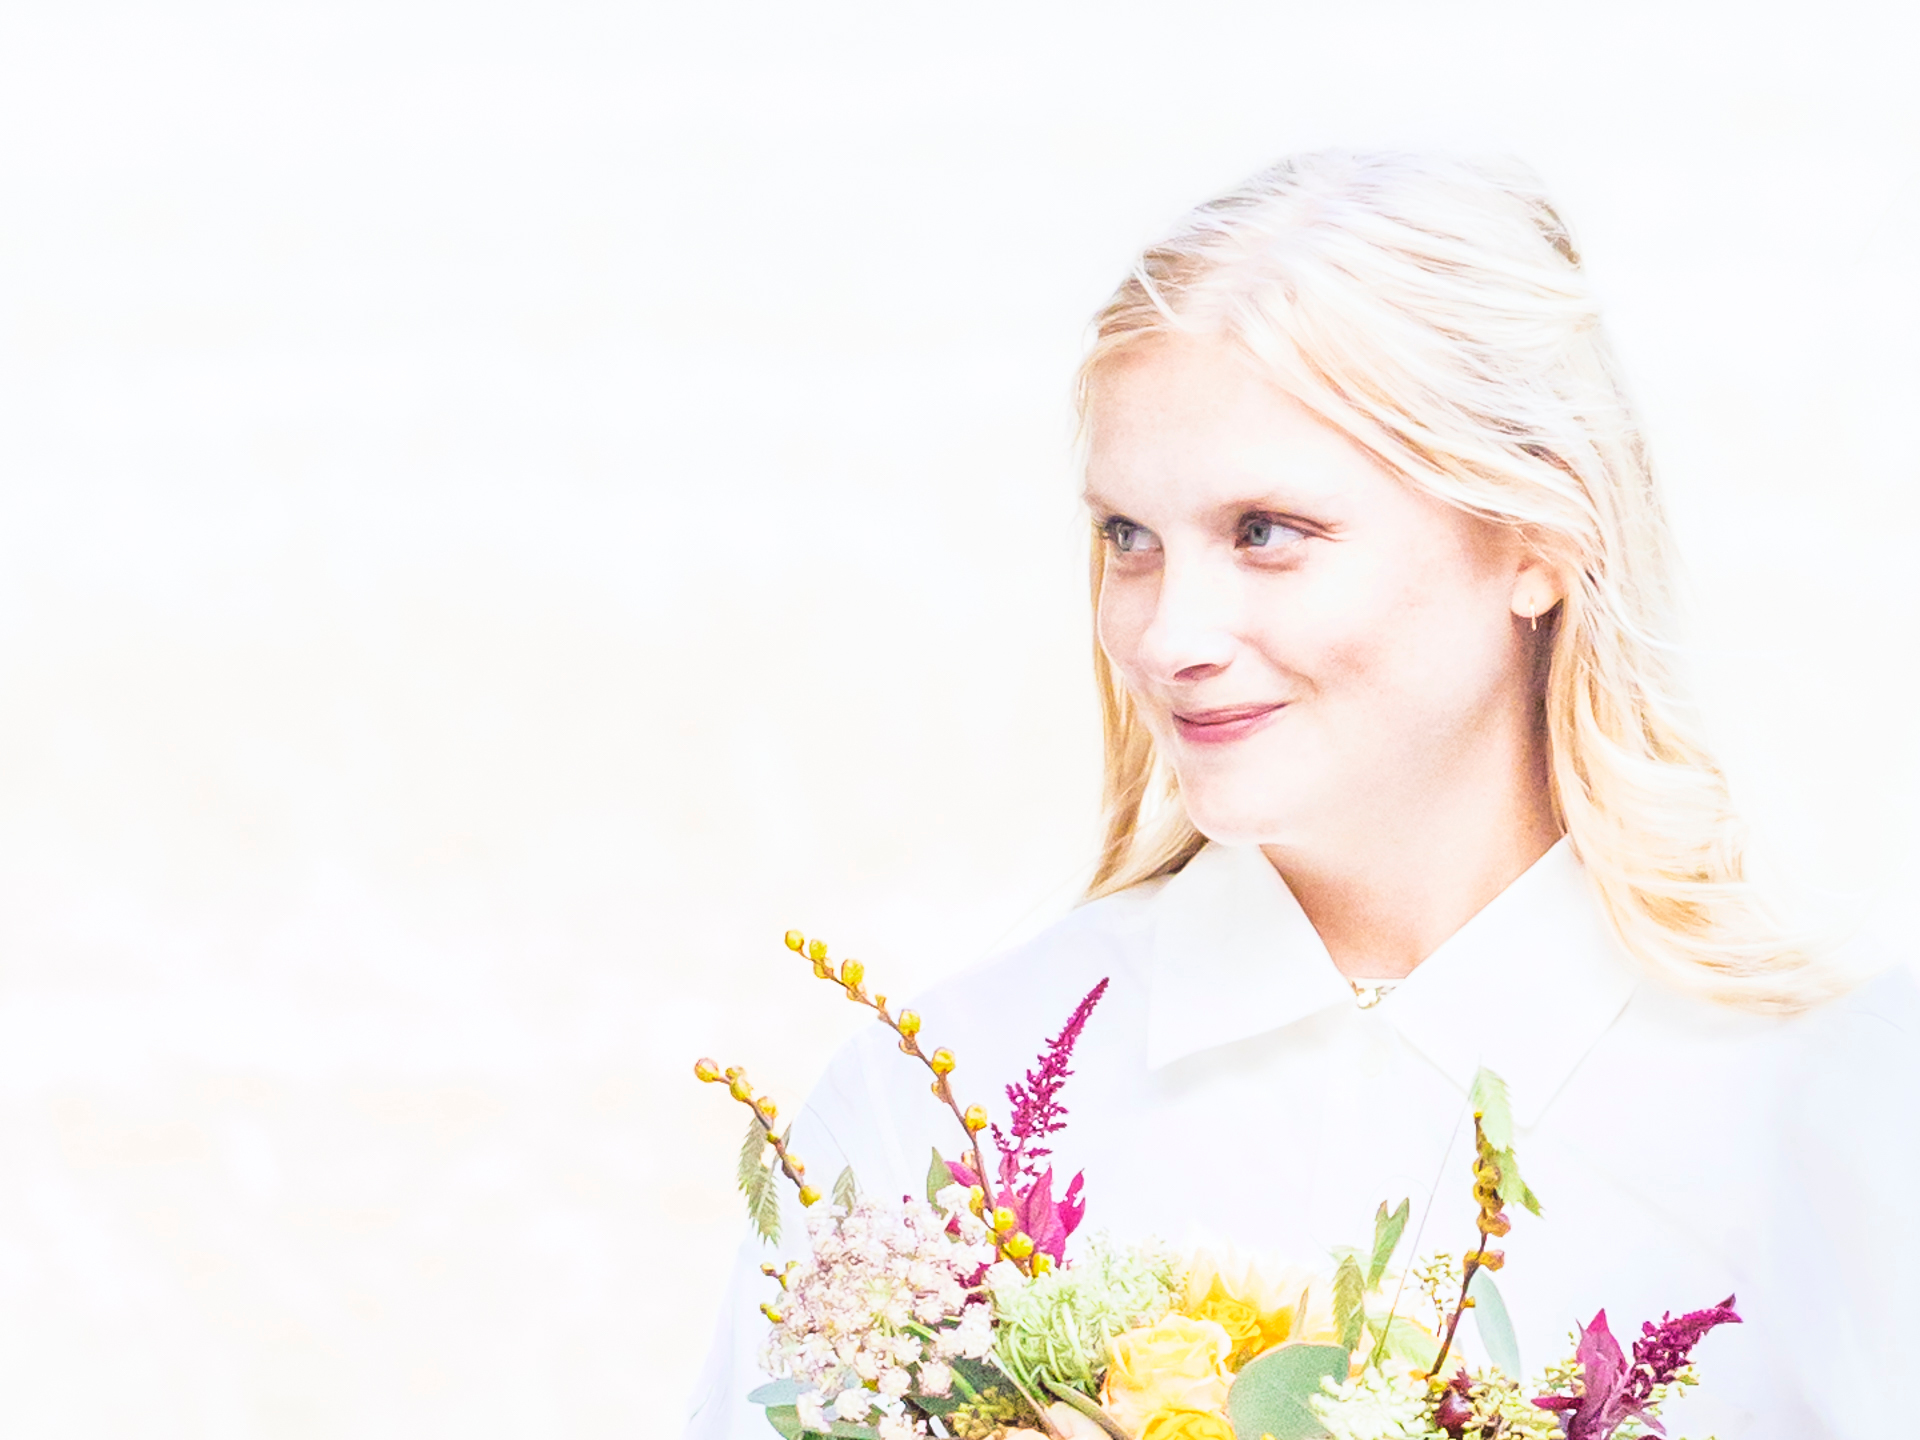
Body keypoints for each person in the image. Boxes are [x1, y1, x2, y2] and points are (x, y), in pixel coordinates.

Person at [683, 152, 1919, 1440]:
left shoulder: (1845, 1107)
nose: (1169, 637)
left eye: (1266, 532)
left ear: (1537, 541)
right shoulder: (932, 1118)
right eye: (1128, 538)